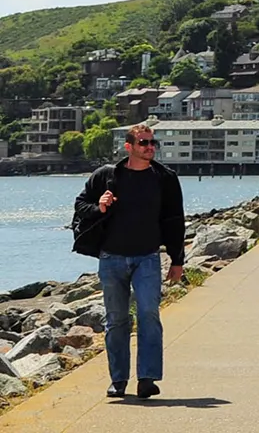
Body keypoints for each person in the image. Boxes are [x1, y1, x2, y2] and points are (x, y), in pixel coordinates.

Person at [75, 124, 186, 401]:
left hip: (148, 257)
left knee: (149, 315)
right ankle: (118, 379)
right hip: (111, 258)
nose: (150, 147)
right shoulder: (106, 176)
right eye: (143, 142)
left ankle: (147, 379)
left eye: (152, 142)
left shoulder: (165, 178)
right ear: (129, 146)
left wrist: (177, 260)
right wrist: (98, 206)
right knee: (116, 320)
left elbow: (175, 220)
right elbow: (80, 206)